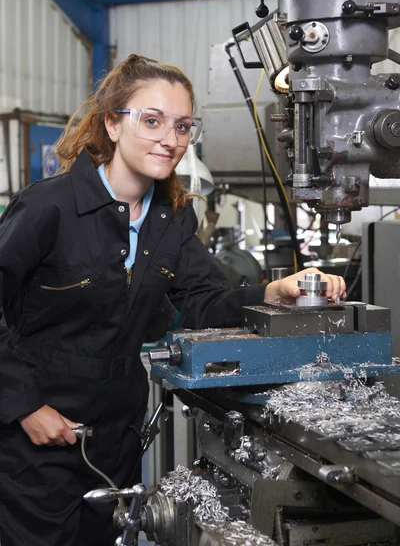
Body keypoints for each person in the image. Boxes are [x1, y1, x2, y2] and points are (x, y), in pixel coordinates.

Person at [0, 54, 346, 546]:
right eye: (152, 120)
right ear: (112, 125)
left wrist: (274, 290)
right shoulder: (48, 208)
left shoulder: (172, 219)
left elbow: (205, 301)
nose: (170, 139)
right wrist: (24, 405)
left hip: (115, 439)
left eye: (183, 126)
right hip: (35, 440)